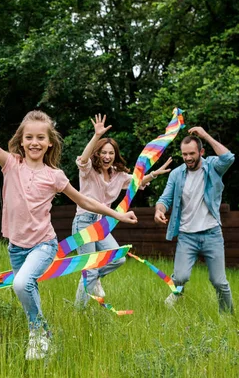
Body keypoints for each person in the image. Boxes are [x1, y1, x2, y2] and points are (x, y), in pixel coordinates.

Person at [0, 85, 138, 360]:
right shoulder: (10, 164)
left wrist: (117, 214)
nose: (34, 142)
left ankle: (39, 333)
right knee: (27, 290)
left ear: (50, 142)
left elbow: (85, 201)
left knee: (20, 283)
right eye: (29, 137)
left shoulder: (55, 175)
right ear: (21, 141)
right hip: (16, 246)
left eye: (41, 137)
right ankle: (40, 336)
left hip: (43, 244)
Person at [73, 114, 172, 308]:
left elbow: (136, 182)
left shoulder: (118, 175)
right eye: (103, 152)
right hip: (84, 222)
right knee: (90, 270)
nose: (107, 156)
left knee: (118, 258)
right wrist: (96, 136)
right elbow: (83, 160)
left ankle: (95, 278)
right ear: (98, 154)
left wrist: (153, 174)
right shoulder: (88, 171)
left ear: (115, 155)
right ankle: (78, 312)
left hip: (102, 224)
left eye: (111, 153)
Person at [154, 127, 235, 313]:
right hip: (186, 236)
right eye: (184, 154)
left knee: (219, 281)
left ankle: (227, 318)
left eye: (192, 153)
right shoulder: (176, 174)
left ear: (201, 152)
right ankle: (177, 293)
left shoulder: (213, 167)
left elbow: (229, 158)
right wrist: (159, 210)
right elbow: (164, 199)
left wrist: (205, 135)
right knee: (180, 277)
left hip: (212, 234)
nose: (188, 158)